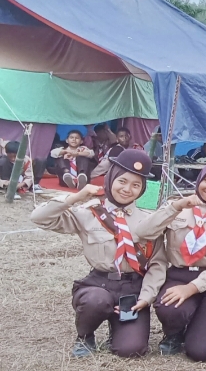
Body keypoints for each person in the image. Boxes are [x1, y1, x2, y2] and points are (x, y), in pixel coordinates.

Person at [29, 149, 165, 358]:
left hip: (133, 289)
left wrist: (146, 298)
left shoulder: (149, 220)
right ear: (110, 178)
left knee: (131, 350)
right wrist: (75, 197)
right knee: (96, 301)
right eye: (122, 181)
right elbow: (39, 218)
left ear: (143, 189)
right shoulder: (89, 212)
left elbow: (157, 264)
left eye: (136, 185)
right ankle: (85, 336)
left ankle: (119, 329)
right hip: (99, 284)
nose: (127, 189)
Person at [134, 161, 206, 361]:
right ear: (199, 180)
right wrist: (175, 207)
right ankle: (174, 333)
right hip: (179, 274)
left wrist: (192, 288)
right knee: (169, 308)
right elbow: (142, 234)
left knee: (202, 351)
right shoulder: (178, 207)